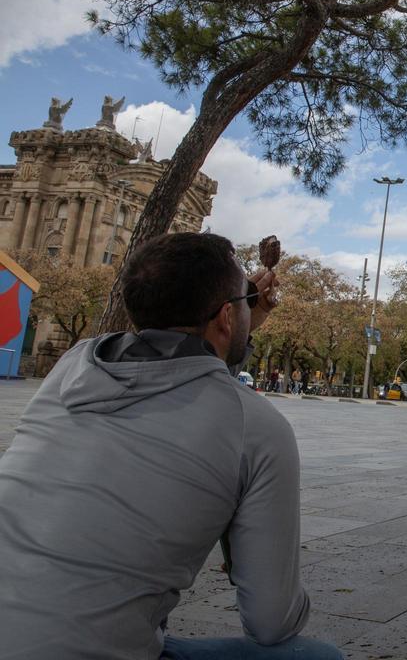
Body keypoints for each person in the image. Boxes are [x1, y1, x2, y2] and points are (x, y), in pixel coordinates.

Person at [0, 232, 342, 659]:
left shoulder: (71, 367)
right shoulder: (255, 426)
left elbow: (180, 363)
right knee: (315, 657)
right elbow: (272, 623)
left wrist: (238, 313)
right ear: (223, 317)